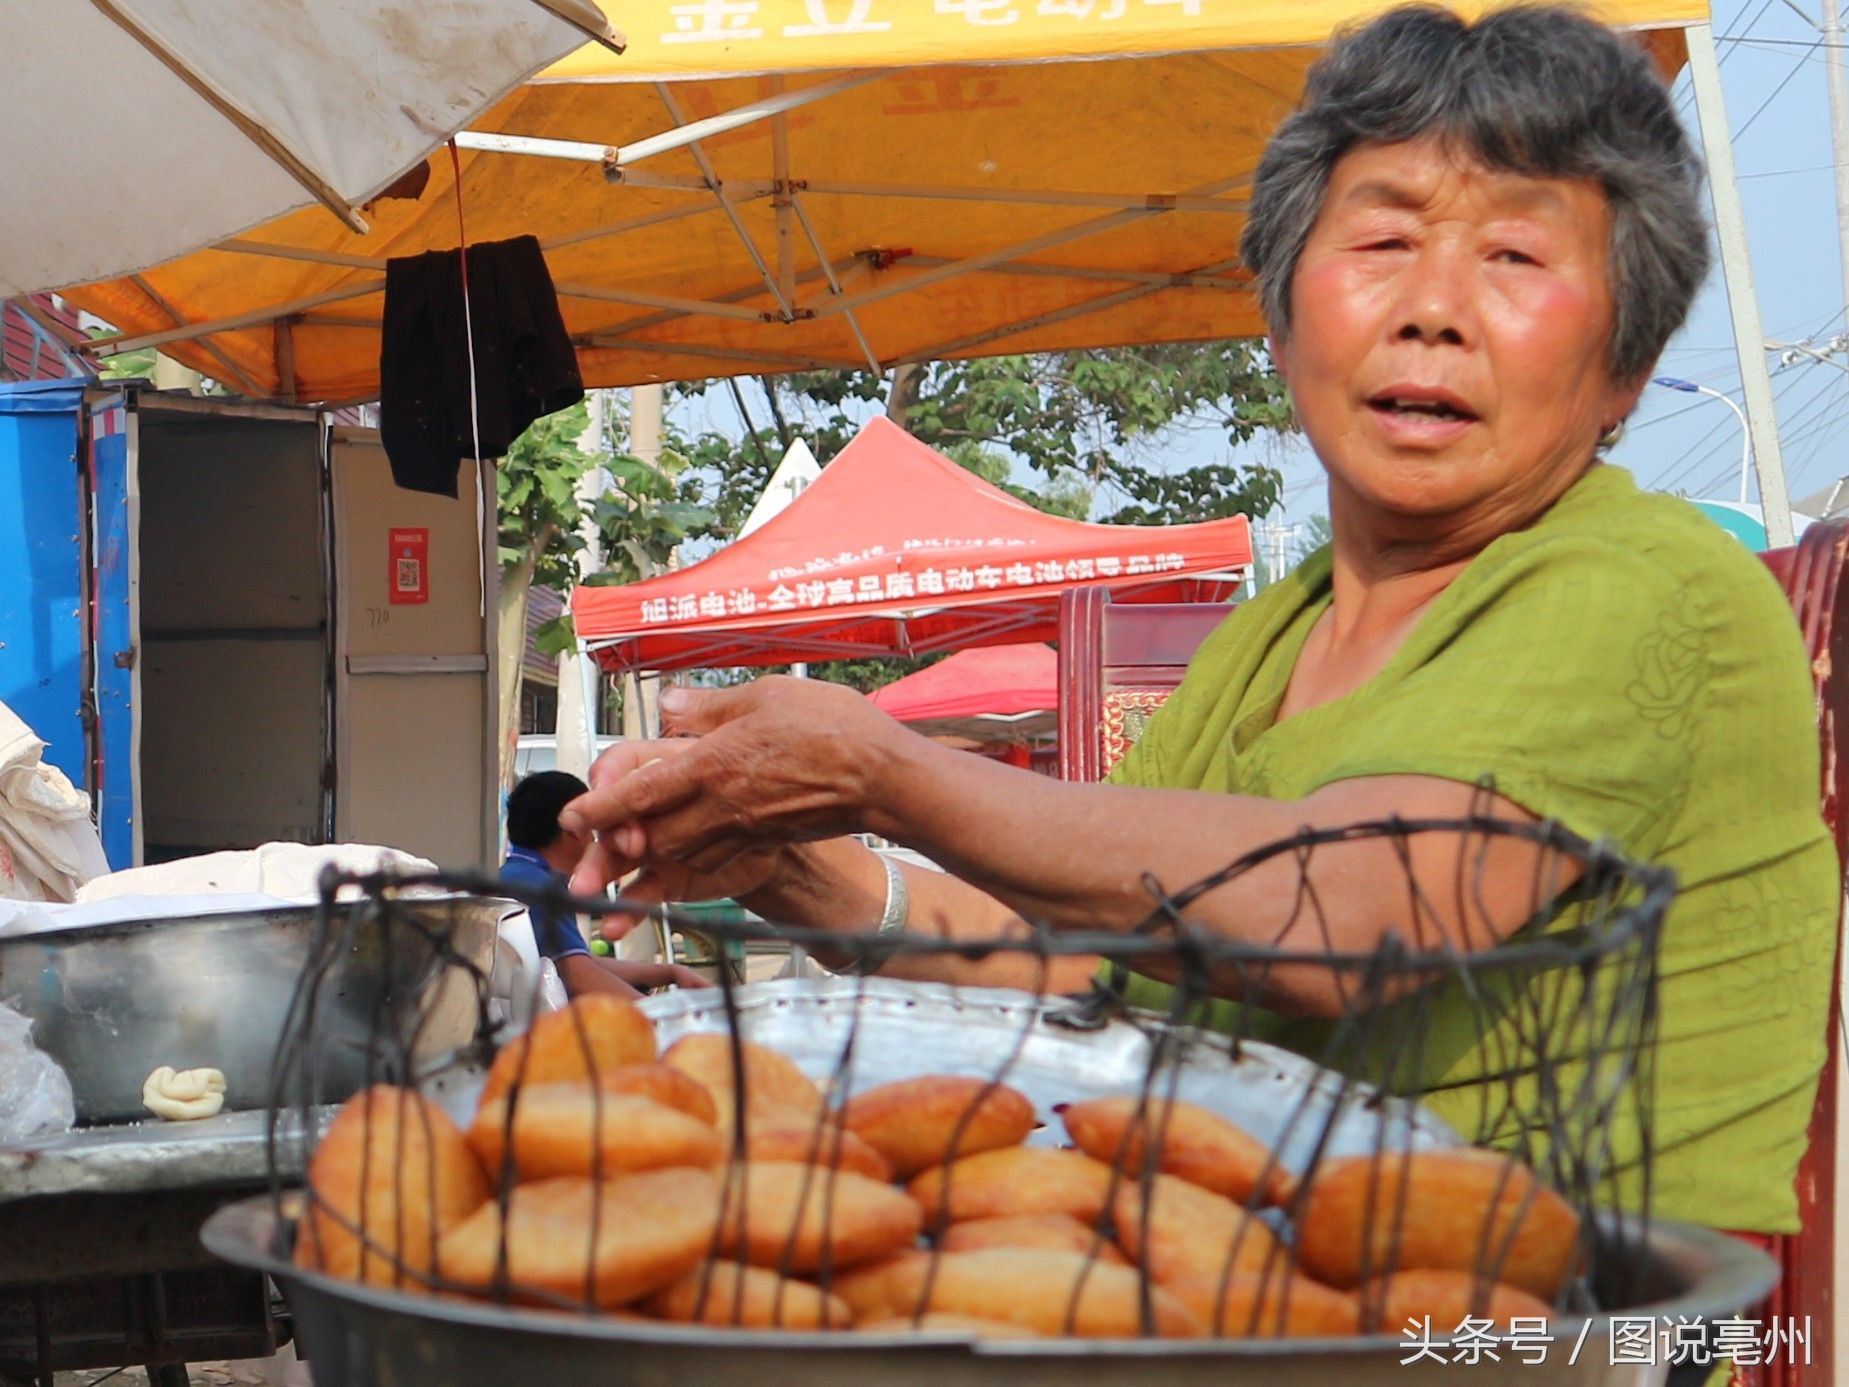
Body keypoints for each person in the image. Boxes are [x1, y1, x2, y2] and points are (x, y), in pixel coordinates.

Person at [559, 6, 1837, 1237]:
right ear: (1278, 320)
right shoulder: (1271, 640)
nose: (1433, 307)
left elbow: (1351, 916)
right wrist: (800, 864)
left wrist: (883, 773)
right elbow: (1090, 959)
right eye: (1382, 243)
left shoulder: (1647, 583)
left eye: (1514, 256)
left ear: (1623, 366)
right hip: (1266, 1295)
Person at [500, 771, 708, 999]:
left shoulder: (516, 875)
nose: (594, 840)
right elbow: (579, 976)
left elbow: (581, 962)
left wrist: (669, 972)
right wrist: (663, 1014)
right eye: (592, 829)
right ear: (575, 829)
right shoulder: (538, 886)